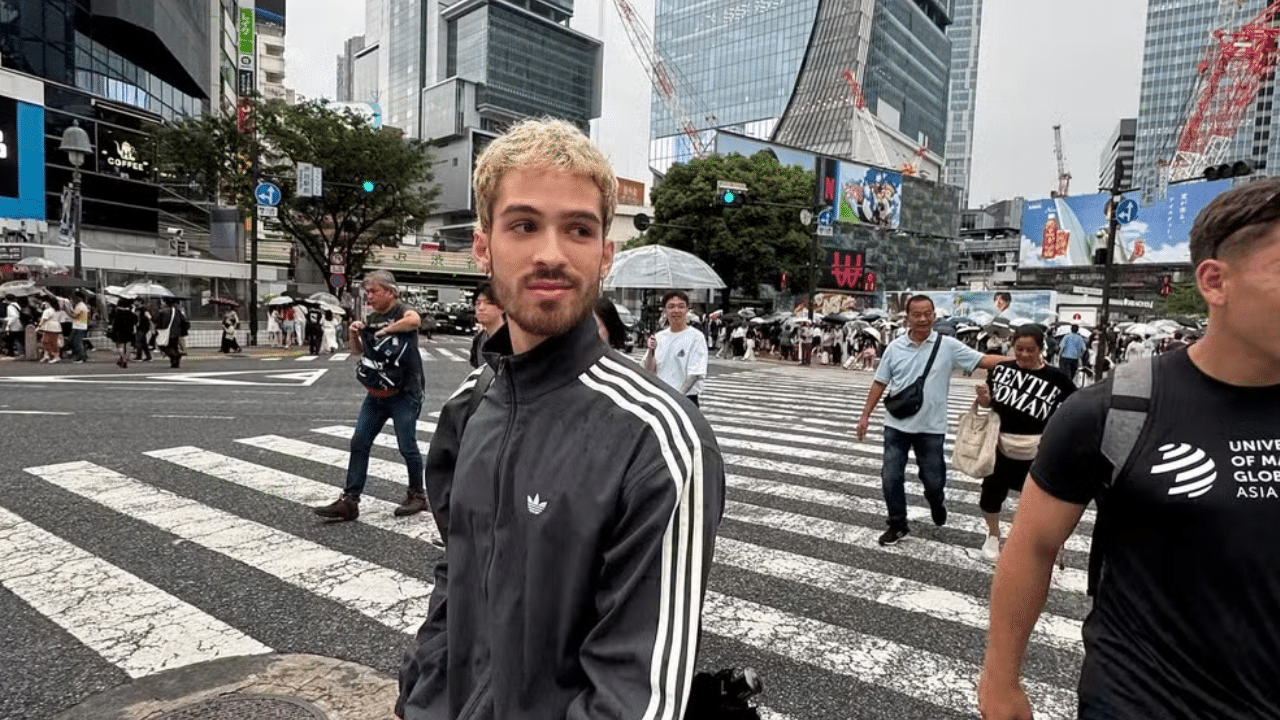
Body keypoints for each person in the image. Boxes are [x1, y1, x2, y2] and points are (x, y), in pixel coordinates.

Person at [396, 118, 724, 720]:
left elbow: (635, 696)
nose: (550, 253)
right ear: (483, 245)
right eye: (523, 225)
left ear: (604, 254)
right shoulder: (469, 406)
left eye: (577, 229)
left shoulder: (658, 439)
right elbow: (456, 578)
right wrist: (417, 699)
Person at [979, 178, 1280, 720]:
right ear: (1214, 282)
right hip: (1142, 700)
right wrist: (1000, 684)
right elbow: (1033, 547)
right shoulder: (1114, 408)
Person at [855, 295, 1007, 546]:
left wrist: (1023, 361)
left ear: (934, 316)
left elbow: (983, 361)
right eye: (918, 314)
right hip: (896, 424)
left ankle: (936, 501)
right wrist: (865, 416)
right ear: (907, 319)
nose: (923, 319)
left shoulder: (948, 346)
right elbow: (880, 382)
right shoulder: (894, 348)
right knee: (890, 476)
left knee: (934, 479)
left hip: (931, 428)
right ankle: (897, 524)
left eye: (928, 313)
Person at [313, 270, 427, 522]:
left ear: (390, 291)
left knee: (406, 445)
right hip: (376, 393)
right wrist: (355, 333)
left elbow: (414, 321)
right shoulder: (373, 317)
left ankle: (417, 494)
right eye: (367, 292)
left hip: (404, 392)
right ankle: (350, 500)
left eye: (374, 291)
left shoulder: (401, 310)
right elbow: (359, 352)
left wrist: (386, 330)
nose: (369, 297)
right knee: (359, 441)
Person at [973, 325, 1076, 561]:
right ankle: (992, 534)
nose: (1024, 355)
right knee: (990, 494)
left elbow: (1074, 408)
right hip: (999, 444)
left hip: (1037, 448)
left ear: (1041, 349)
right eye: (1019, 349)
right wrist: (985, 399)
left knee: (1037, 499)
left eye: (1031, 350)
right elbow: (990, 405)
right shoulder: (1000, 370)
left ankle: (1028, 538)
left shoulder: (1057, 378)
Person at [643, 289, 709, 406]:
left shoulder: (696, 337)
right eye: (671, 306)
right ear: (664, 310)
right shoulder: (659, 337)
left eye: (681, 306)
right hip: (661, 398)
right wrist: (651, 350)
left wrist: (676, 398)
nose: (676, 310)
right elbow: (648, 370)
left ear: (687, 310)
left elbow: (694, 374)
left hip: (685, 399)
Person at [468, 281, 504, 367]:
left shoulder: (516, 339)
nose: (481, 308)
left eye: (488, 302)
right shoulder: (478, 340)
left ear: (503, 307)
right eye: (478, 303)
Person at [154, 297, 188, 368]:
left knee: (163, 346)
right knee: (174, 346)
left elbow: (154, 319)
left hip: (164, 332)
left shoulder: (162, 311)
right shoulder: (177, 311)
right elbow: (184, 321)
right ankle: (175, 363)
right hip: (176, 332)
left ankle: (175, 356)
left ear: (165, 302)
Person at [109, 300, 137, 368]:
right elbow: (136, 321)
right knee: (128, 346)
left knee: (120, 346)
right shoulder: (132, 314)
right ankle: (125, 359)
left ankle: (123, 359)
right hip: (129, 331)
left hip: (119, 331)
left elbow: (114, 324)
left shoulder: (117, 314)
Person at [70, 291, 90, 363]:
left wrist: (68, 311)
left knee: (77, 342)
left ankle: (80, 357)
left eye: (74, 297)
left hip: (78, 326)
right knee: (79, 342)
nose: (73, 299)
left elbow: (74, 315)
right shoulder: (82, 305)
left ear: (79, 298)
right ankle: (83, 356)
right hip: (82, 325)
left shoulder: (80, 306)